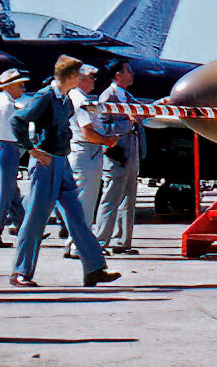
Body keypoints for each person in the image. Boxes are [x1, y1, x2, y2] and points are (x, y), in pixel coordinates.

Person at [10, 56, 120, 287]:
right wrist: (32, 150)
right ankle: (20, 272)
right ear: (69, 76)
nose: (83, 80)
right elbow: (18, 121)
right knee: (35, 219)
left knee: (76, 216)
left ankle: (94, 268)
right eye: (79, 75)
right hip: (46, 165)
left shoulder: (63, 100)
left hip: (62, 163)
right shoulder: (45, 98)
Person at [63, 64, 120, 259]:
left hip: (82, 152)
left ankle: (74, 242)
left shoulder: (75, 97)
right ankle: (78, 245)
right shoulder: (80, 100)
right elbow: (87, 131)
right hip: (86, 152)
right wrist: (107, 140)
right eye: (90, 77)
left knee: (80, 201)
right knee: (85, 203)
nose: (94, 81)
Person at [92, 61, 144, 254]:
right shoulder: (108, 97)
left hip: (131, 151)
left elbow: (141, 113)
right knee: (111, 198)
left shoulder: (127, 97)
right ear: (117, 75)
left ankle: (122, 241)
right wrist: (128, 124)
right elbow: (102, 127)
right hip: (117, 153)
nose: (132, 74)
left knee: (128, 198)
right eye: (128, 71)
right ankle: (100, 241)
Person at [0, 69, 27, 247]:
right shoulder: (7, 106)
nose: (23, 88)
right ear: (9, 86)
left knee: (12, 192)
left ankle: (23, 224)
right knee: (4, 192)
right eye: (20, 85)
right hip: (6, 147)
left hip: (7, 146)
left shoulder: (6, 102)